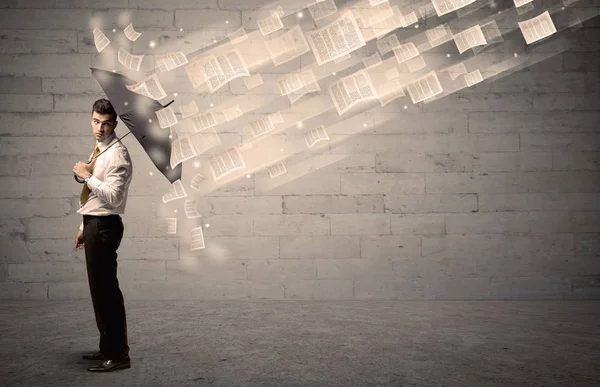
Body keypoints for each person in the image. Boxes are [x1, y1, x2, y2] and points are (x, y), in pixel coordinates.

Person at [72, 98, 133, 372]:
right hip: (95, 224)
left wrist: (86, 177)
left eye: (106, 123)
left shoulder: (118, 153)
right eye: (96, 121)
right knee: (99, 292)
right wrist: (84, 226)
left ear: (115, 124)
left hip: (106, 227)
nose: (100, 127)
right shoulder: (100, 149)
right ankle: (106, 347)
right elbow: (97, 198)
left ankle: (119, 355)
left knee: (108, 293)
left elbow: (114, 196)